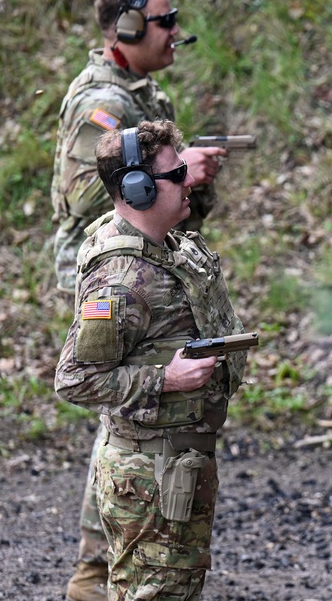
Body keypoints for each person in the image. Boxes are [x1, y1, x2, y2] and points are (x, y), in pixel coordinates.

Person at [51, 0, 226, 600]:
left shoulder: (147, 93)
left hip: (143, 258)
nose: (178, 31)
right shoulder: (104, 100)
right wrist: (151, 186)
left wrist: (186, 179)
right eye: (165, 21)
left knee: (133, 422)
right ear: (126, 29)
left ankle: (114, 567)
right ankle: (100, 572)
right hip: (112, 272)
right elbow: (76, 196)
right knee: (127, 421)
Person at [54, 120, 247, 600]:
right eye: (175, 174)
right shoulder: (123, 280)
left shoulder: (164, 247)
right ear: (137, 191)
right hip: (151, 476)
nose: (188, 180)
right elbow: (75, 379)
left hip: (174, 462)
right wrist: (166, 379)